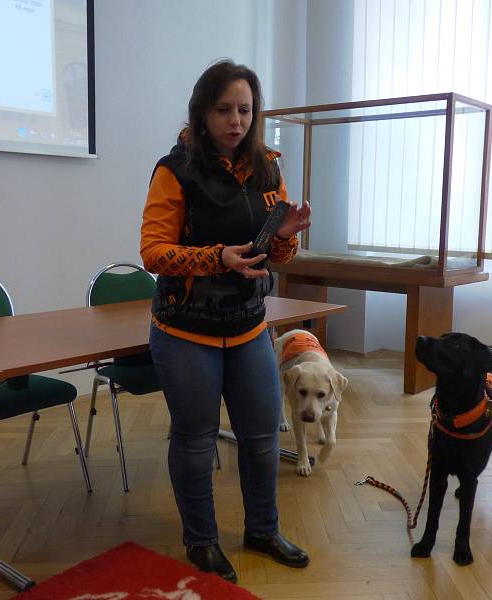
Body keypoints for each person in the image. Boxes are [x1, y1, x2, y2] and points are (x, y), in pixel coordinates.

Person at [140, 59, 312, 584]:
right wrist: (218, 258)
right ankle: (202, 541)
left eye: (245, 110)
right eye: (224, 110)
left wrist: (286, 235)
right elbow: (153, 252)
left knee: (261, 436)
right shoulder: (176, 169)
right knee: (195, 440)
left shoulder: (268, 167)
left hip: (248, 326)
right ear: (203, 111)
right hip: (185, 329)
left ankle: (262, 530)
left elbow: (277, 255)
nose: (235, 120)